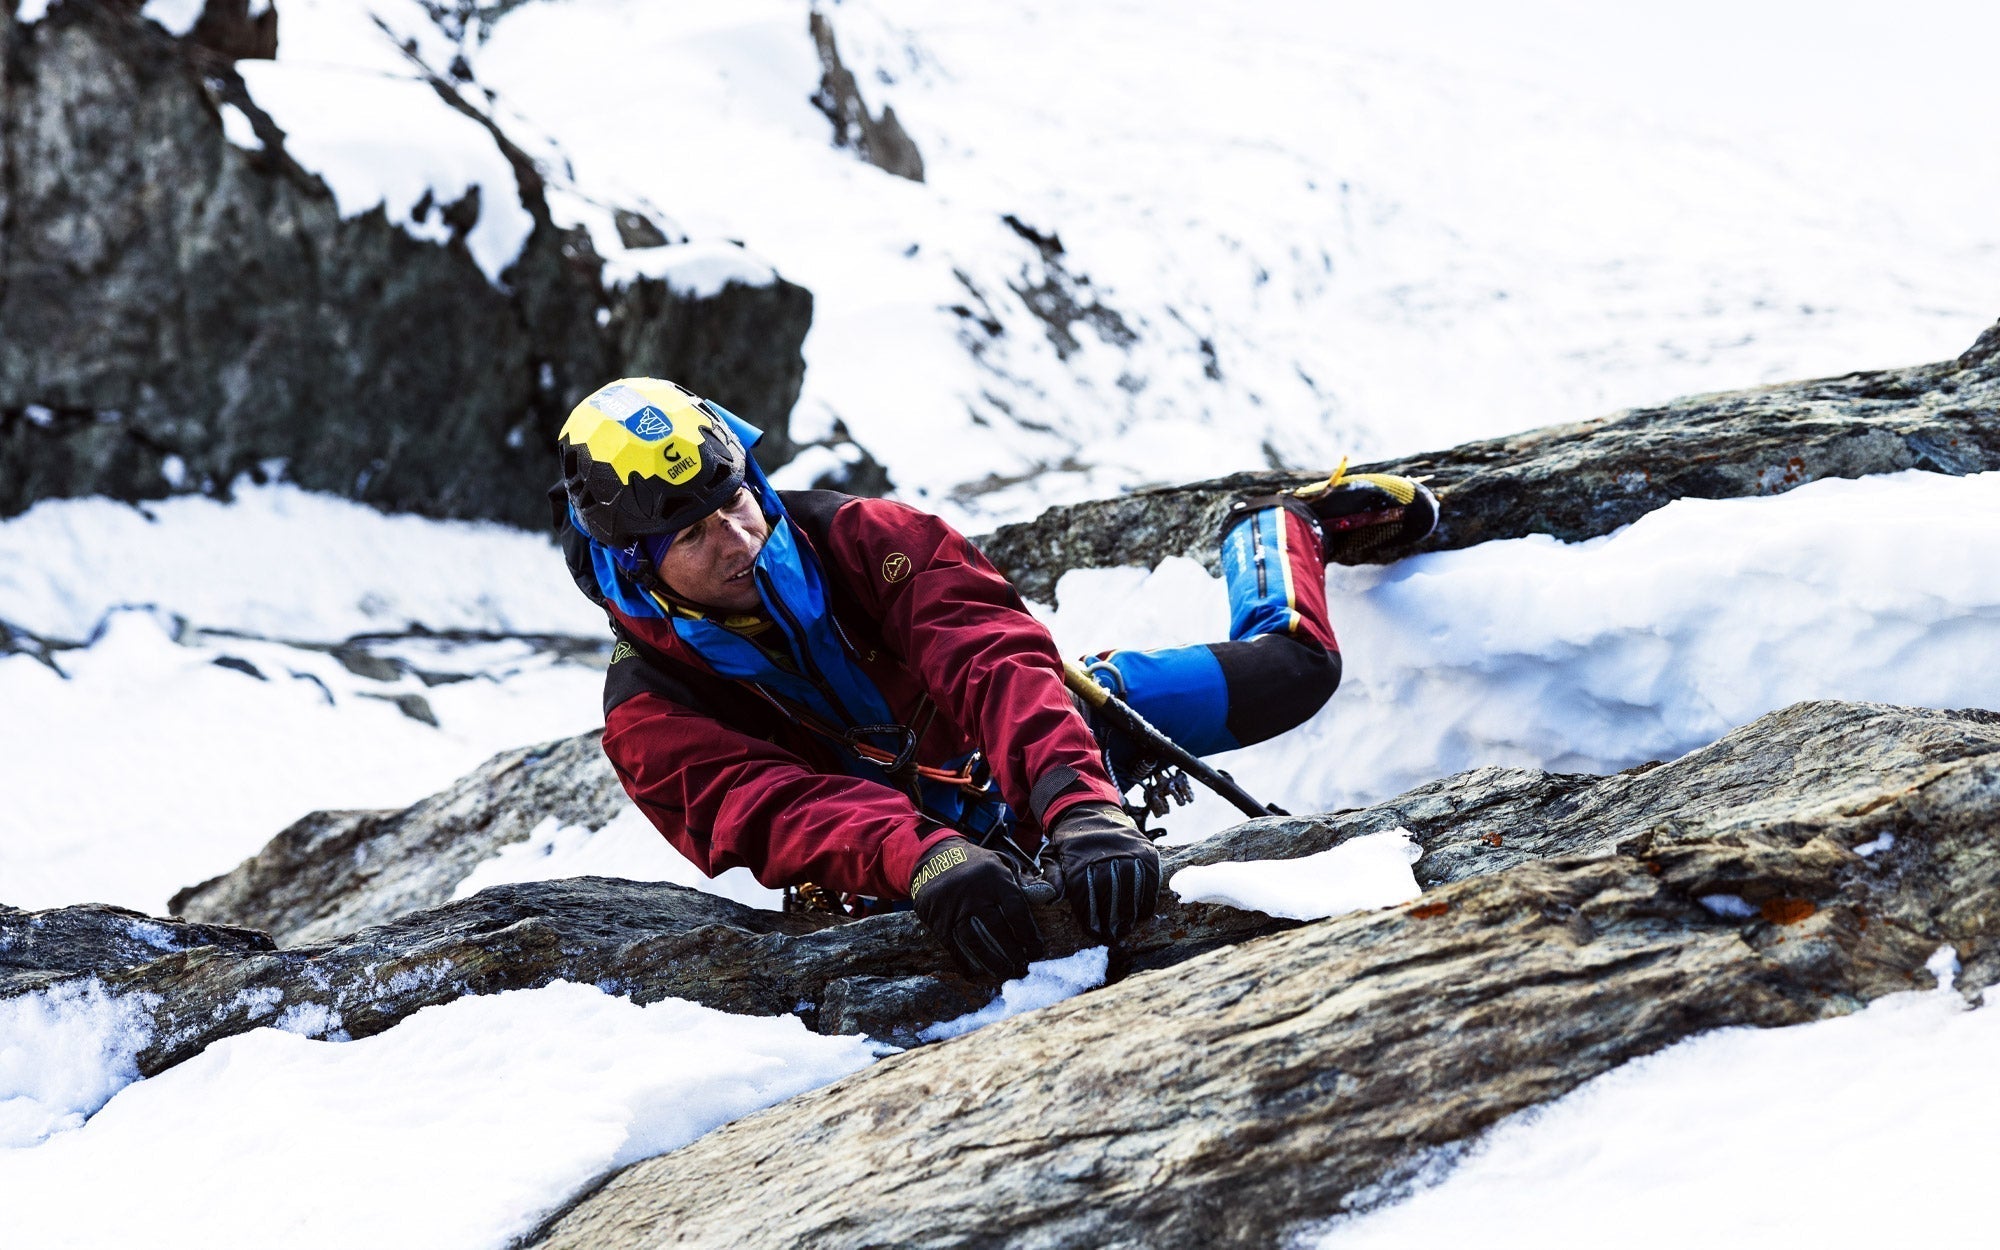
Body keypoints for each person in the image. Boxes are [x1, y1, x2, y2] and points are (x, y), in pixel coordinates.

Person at [552, 377, 1437, 980]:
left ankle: (1272, 533)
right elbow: (775, 808)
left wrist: (1081, 802)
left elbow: (994, 661)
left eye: (734, 502)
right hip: (899, 869)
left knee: (1296, 669)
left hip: (1040, 742)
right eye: (695, 535)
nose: (739, 540)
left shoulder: (864, 538)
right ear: (636, 562)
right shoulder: (649, 714)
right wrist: (921, 851)